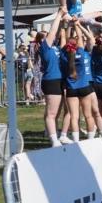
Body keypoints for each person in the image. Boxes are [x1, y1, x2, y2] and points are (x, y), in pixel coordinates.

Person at [59, 18, 97, 143]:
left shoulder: (63, 55)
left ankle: (76, 141)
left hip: (71, 88)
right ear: (76, 45)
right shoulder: (81, 52)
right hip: (85, 87)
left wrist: (66, 26)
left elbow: (63, 38)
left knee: (74, 117)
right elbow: (80, 38)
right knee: (88, 115)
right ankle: (91, 139)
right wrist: (76, 24)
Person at [37, 17, 65, 147]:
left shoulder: (54, 47)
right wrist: (59, 15)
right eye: (45, 36)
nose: (49, 36)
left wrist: (63, 22)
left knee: (55, 112)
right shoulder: (44, 47)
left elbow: (57, 32)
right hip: (51, 80)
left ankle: (51, 132)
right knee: (52, 113)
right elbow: (53, 31)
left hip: (59, 80)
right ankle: (54, 141)